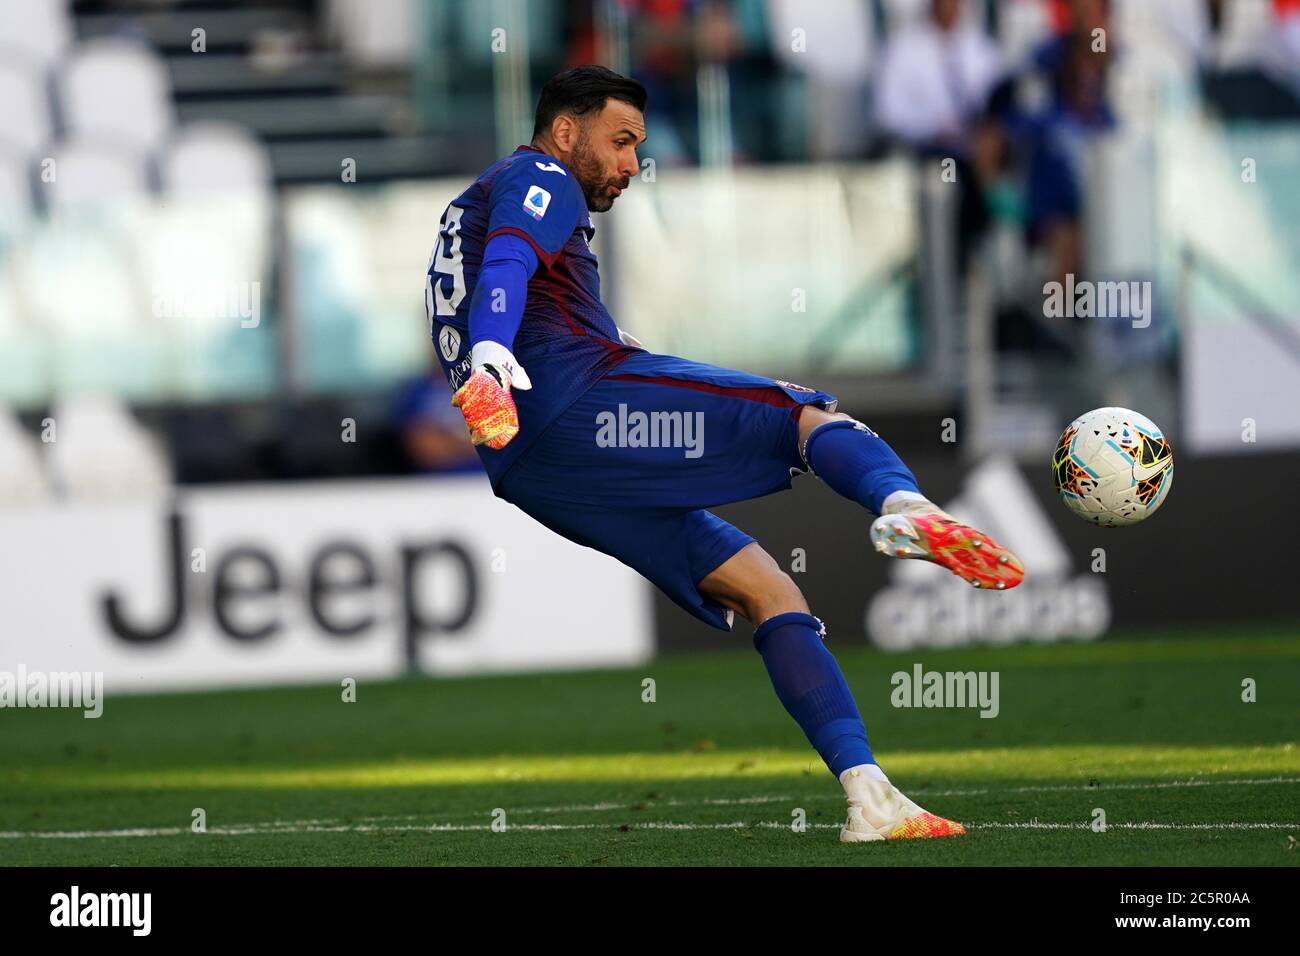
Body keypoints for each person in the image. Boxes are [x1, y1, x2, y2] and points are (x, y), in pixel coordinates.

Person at [426, 65, 1024, 842]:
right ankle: (903, 504)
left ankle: (870, 796)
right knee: (802, 415)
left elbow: (511, 275)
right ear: (566, 131)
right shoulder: (541, 174)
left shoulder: (480, 202)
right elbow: (507, 260)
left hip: (529, 468)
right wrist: (491, 362)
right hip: (569, 404)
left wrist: (505, 363)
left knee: (768, 589)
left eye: (637, 146)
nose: (632, 164)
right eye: (621, 141)